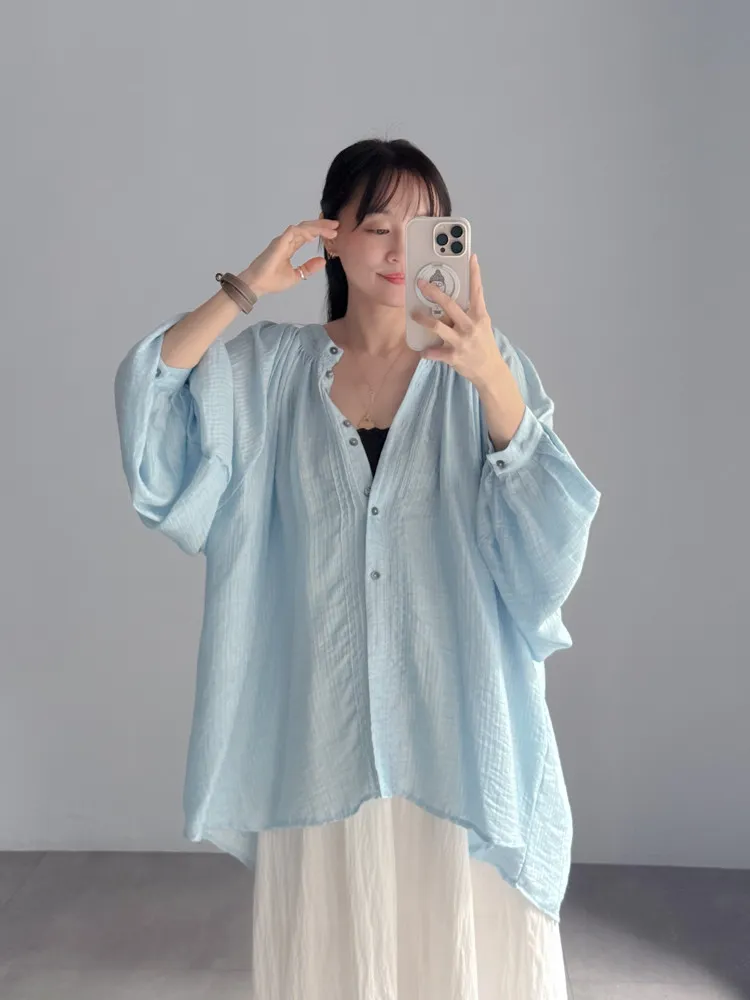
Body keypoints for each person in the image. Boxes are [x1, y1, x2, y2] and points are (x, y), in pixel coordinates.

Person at [114, 137, 602, 999]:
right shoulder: (265, 375)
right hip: (320, 742)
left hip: (457, 734)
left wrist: (490, 376)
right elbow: (152, 418)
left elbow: (549, 545)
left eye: (424, 229)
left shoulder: (483, 368)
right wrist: (245, 289)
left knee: (460, 955)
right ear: (330, 234)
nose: (399, 251)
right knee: (339, 955)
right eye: (377, 226)